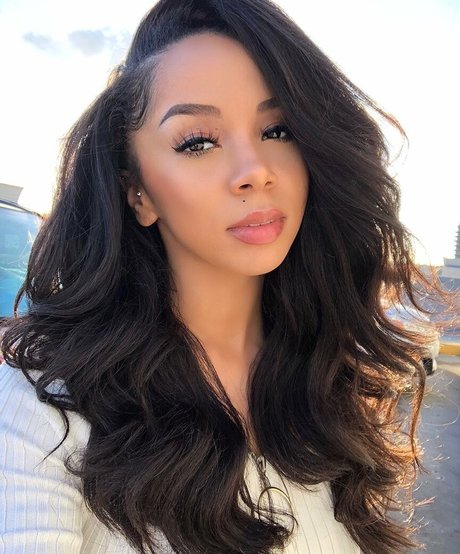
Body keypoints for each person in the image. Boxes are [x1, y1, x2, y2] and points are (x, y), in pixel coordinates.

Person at [0, 0, 440, 552]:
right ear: (138, 192)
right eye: (198, 143)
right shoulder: (43, 406)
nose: (255, 170)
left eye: (278, 130)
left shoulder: (332, 379)